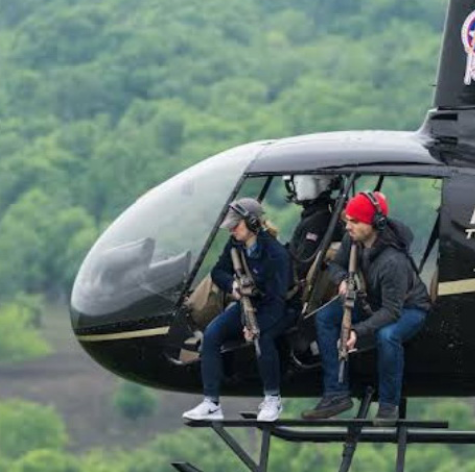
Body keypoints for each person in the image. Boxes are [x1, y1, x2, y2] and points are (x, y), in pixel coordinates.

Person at [302, 191, 431, 425]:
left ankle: (388, 405)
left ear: (373, 223)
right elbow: (336, 266)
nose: (348, 226)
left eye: (355, 221)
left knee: (387, 335)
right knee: (324, 318)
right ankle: (336, 393)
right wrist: (343, 279)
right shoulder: (353, 240)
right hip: (373, 300)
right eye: (347, 220)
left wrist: (357, 331)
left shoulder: (393, 262)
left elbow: (392, 312)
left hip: (408, 308)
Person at [183, 197, 292, 423]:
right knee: (212, 334)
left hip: (277, 309)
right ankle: (211, 402)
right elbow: (218, 272)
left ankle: (272, 398)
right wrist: (233, 286)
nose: (232, 230)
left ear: (253, 223)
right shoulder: (236, 245)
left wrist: (254, 325)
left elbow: (276, 299)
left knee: (264, 337)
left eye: (237, 225)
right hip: (246, 304)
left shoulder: (276, 254)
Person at [284, 174, 338, 284]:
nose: (293, 186)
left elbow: (302, 264)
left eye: (295, 182)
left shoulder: (315, 222)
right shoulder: (323, 215)